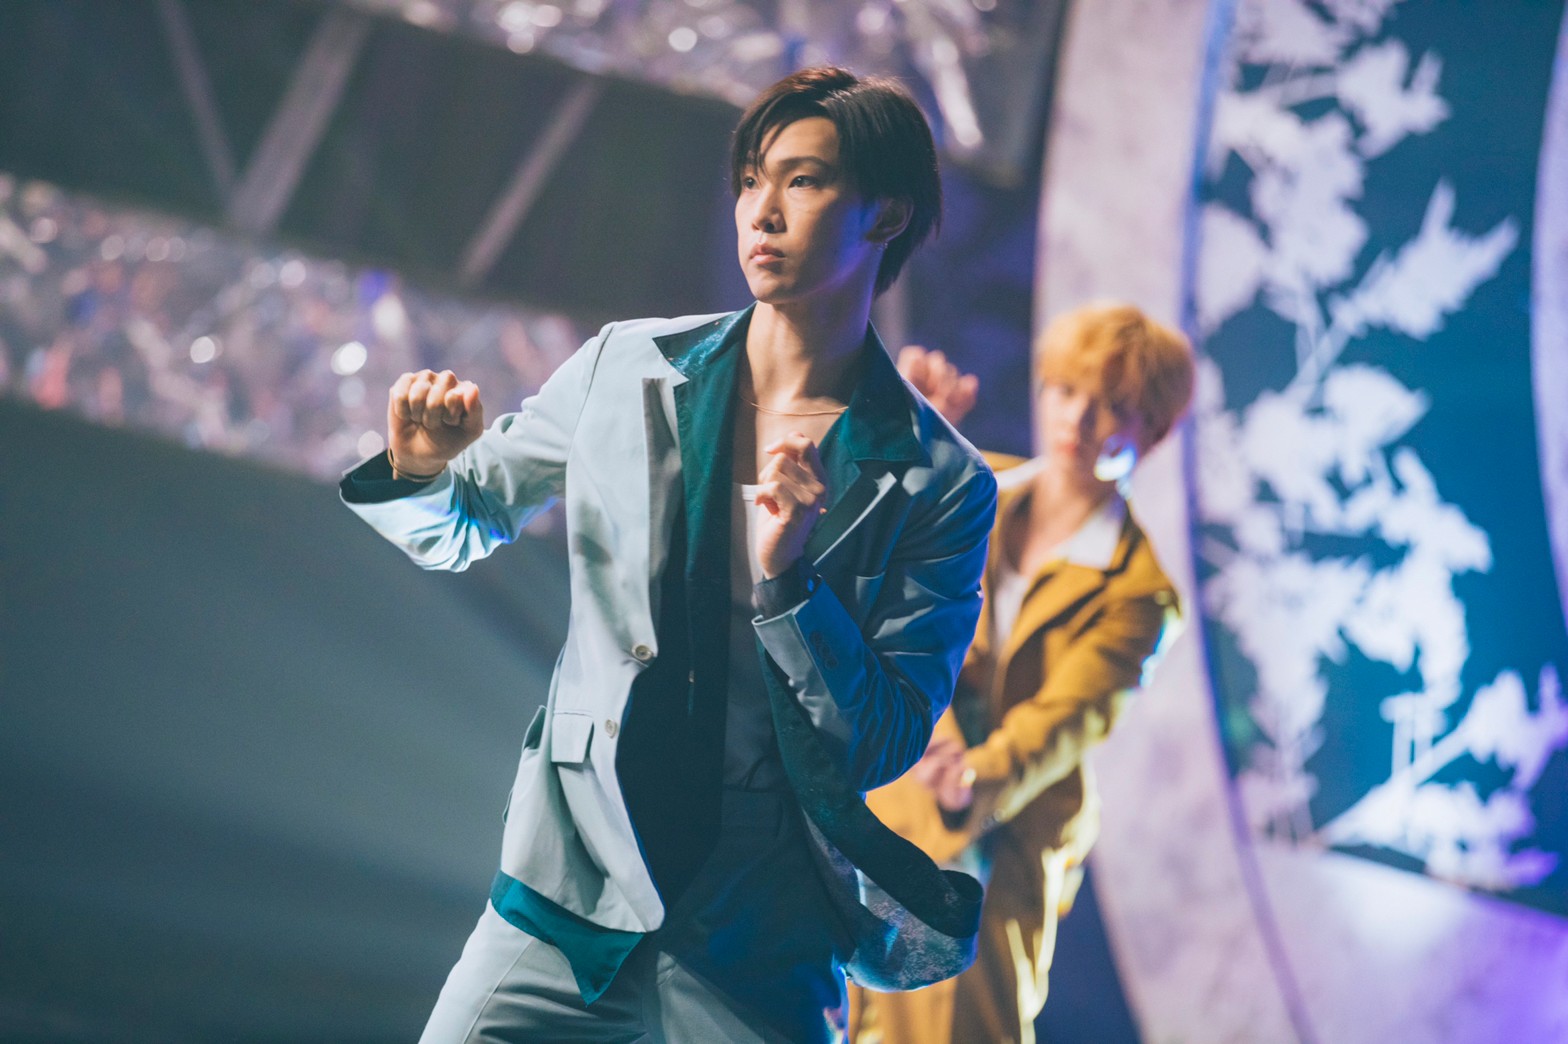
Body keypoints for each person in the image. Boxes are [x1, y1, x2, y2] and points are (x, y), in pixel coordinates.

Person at [340, 66, 996, 1043]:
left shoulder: (939, 481)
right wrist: (423, 470)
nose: (761, 211)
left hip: (758, 926)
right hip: (571, 887)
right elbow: (466, 520)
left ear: (887, 214)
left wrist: (789, 584)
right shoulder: (626, 365)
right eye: (751, 180)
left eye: (804, 180)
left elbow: (884, 738)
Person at [848, 303, 1195, 1044]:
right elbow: (879, 590)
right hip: (899, 789)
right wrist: (906, 450)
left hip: (1004, 829)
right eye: (1066, 389)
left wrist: (975, 777)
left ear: (1153, 431)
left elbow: (1065, 720)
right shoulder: (977, 482)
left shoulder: (1140, 592)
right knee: (846, 1014)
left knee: (967, 1025)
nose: (1079, 418)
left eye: (1113, 404)